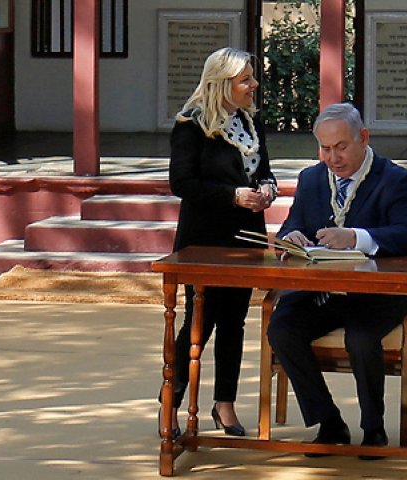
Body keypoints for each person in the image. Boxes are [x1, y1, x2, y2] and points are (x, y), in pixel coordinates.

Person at [267, 103, 407, 460]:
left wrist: (356, 237)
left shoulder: (396, 178)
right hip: (322, 288)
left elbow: (406, 235)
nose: (332, 158)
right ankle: (330, 422)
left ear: (363, 138)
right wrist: (291, 238)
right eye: (324, 148)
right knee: (282, 329)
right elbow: (293, 225)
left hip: (379, 292)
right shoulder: (310, 179)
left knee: (362, 337)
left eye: (341, 147)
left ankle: (374, 430)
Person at [160, 47, 277, 439]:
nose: (253, 85)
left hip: (247, 236)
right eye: (246, 80)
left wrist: (266, 188)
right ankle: (171, 402)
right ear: (222, 84)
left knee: (234, 322)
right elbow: (182, 183)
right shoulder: (190, 125)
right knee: (199, 322)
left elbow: (265, 170)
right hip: (205, 239)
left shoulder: (250, 121)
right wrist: (232, 195)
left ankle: (223, 403)